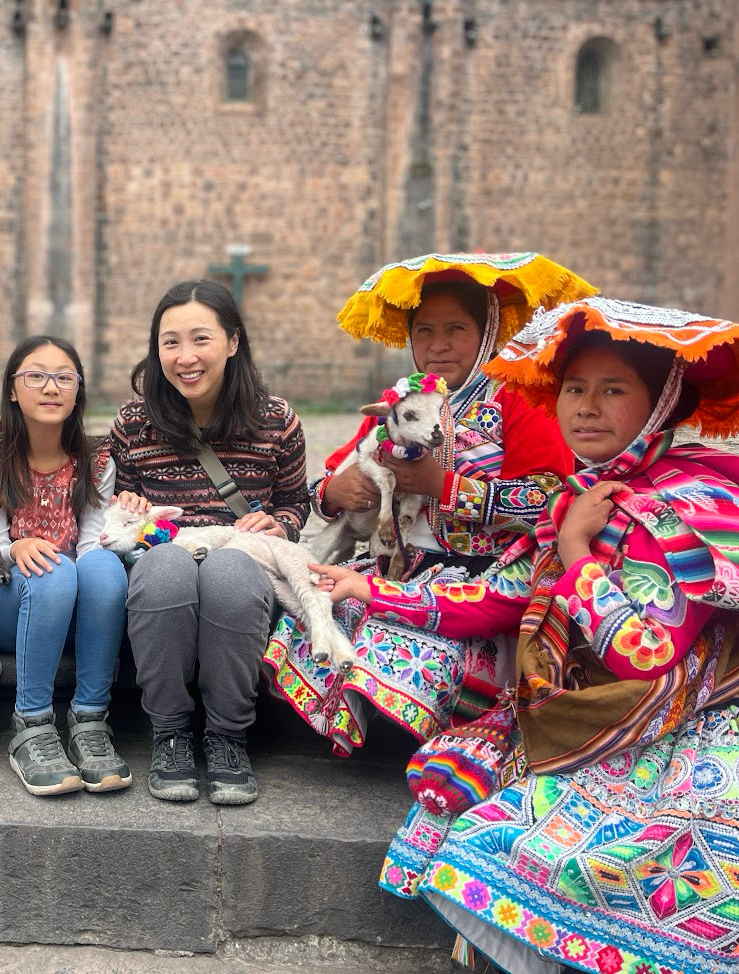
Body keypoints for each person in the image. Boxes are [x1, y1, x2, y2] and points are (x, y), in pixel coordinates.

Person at [316, 297, 739, 974]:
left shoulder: (682, 503)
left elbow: (643, 653)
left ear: (661, 402)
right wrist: (372, 589)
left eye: (612, 390)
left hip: (671, 732)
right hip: (587, 711)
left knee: (514, 848)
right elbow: (504, 595)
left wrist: (576, 554)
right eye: (574, 388)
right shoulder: (588, 491)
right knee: (453, 816)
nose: (586, 407)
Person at [265, 253, 596, 755]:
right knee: (303, 616)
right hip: (392, 568)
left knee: (391, 650)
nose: (437, 345)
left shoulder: (520, 399)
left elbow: (552, 499)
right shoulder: (401, 399)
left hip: (484, 583)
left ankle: (395, 731)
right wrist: (337, 490)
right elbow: (331, 478)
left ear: (487, 332)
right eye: (424, 331)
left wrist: (445, 485)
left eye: (456, 329)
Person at [112, 279, 309, 805]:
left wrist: (280, 525)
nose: (185, 356)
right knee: (165, 570)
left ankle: (227, 735)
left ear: (233, 342)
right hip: (164, 557)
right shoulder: (134, 424)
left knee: (230, 574)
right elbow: (119, 502)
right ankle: (171, 733)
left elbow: (295, 501)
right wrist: (127, 506)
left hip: (242, 558)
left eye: (201, 339)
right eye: (169, 342)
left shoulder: (276, 421)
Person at [0, 336, 130, 796]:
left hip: (71, 597)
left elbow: (94, 536)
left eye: (64, 377)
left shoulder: (96, 458)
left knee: (103, 566)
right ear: (12, 390)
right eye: (35, 375)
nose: (51, 387)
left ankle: (90, 721)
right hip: (9, 600)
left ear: (78, 391)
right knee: (52, 571)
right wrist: (13, 547)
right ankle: (33, 724)